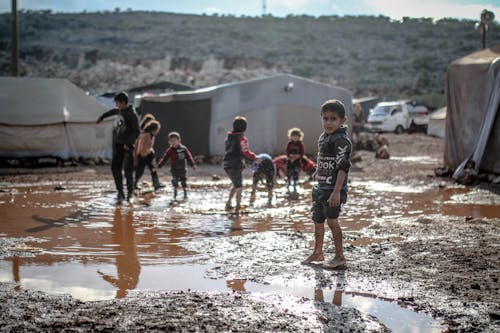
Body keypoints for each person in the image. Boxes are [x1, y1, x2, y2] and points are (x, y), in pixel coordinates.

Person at [302, 99, 352, 269]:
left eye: (333, 119)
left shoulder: (341, 141)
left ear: (342, 120)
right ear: (321, 118)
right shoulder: (324, 137)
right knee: (317, 220)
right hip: (320, 187)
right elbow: (323, 157)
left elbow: (342, 167)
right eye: (325, 118)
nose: (328, 122)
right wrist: (318, 170)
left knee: (332, 221)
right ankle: (318, 252)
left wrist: (337, 191)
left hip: (333, 190)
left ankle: (340, 257)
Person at [96, 92, 140, 203]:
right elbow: (112, 111)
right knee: (115, 168)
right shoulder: (120, 110)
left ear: (123, 102)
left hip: (127, 146)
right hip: (118, 145)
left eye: (117, 103)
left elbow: (137, 132)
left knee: (128, 170)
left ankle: (130, 193)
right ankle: (120, 192)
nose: (116, 105)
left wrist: (129, 143)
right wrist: (101, 117)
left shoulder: (132, 114)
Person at [223, 116, 260, 214]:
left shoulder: (228, 138)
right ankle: (238, 208)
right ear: (245, 128)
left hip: (226, 164)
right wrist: (255, 157)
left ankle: (228, 203)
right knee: (239, 187)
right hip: (235, 164)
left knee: (236, 184)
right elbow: (245, 151)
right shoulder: (242, 138)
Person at [158, 131, 195, 200]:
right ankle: (175, 195)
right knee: (175, 182)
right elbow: (164, 158)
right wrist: (159, 165)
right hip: (174, 169)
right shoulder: (170, 150)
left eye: (175, 140)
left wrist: (192, 164)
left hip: (183, 169)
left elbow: (188, 156)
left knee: (184, 181)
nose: (173, 142)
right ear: (169, 142)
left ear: (179, 140)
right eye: (171, 141)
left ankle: (185, 194)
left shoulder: (183, 149)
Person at [133, 118, 165, 191]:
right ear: (153, 129)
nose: (158, 131)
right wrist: (144, 155)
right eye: (157, 129)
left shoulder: (150, 135)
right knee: (140, 170)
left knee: (152, 169)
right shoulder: (146, 135)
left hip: (147, 155)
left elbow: (149, 146)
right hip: (144, 155)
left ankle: (156, 184)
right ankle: (134, 184)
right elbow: (142, 146)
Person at [285, 128, 305, 192]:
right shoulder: (289, 143)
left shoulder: (300, 144)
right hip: (290, 161)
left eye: (297, 136)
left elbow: (302, 152)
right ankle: (288, 183)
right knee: (289, 172)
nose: (295, 138)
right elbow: (287, 151)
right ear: (291, 136)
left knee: (295, 173)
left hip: (297, 161)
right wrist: (290, 156)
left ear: (299, 137)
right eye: (294, 136)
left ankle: (295, 184)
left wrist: (298, 156)